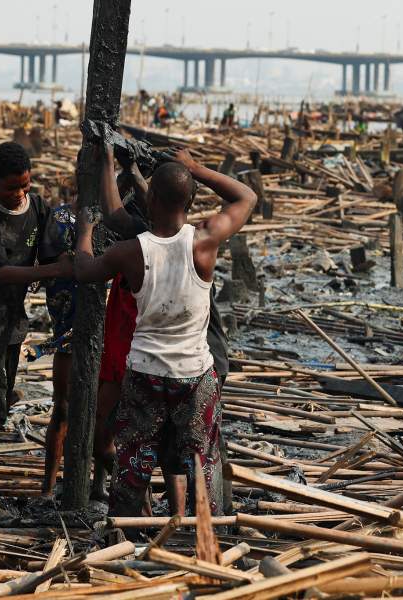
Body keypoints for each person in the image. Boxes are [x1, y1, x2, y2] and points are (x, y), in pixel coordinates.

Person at [74, 148, 256, 517]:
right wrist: (197, 167)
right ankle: (207, 533)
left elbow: (83, 270)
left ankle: (125, 539)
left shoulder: (130, 252)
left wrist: (84, 233)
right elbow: (246, 196)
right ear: (190, 201)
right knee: (201, 461)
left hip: (146, 375)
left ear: (150, 197)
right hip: (194, 375)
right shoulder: (205, 240)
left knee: (133, 466)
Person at [0, 141, 72, 519]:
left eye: (25, 185)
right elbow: (1, 272)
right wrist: (52, 271)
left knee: (2, 400)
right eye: (11, 187)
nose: (20, 193)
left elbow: (53, 251)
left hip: (12, 322)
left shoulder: (37, 207)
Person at [40, 200, 77, 495]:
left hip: (108, 329)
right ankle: (49, 485)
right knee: (62, 409)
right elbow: (52, 265)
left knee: (106, 413)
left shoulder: (119, 215)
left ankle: (99, 484)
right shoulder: (60, 217)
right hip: (68, 329)